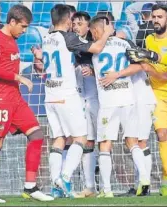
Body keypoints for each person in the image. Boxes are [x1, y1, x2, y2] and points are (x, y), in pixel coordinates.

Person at [32, 4, 113, 198]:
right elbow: (97, 47)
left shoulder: (46, 38)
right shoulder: (68, 37)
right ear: (68, 19)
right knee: (81, 138)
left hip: (50, 95)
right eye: (72, 19)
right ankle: (65, 178)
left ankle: (55, 186)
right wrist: (107, 33)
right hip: (67, 94)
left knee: (59, 139)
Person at [0, 4, 54, 203]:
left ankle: (30, 186)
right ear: (12, 21)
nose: (24, 31)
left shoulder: (12, 40)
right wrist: (20, 77)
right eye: (22, 27)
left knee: (37, 135)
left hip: (15, 97)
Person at [126, 4, 167, 196]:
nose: (156, 20)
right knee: (163, 135)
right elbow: (148, 66)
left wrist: (149, 56)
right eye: (153, 16)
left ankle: (165, 178)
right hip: (157, 93)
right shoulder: (148, 39)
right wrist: (147, 63)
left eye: (160, 17)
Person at [89, 15, 150, 198]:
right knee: (132, 141)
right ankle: (145, 179)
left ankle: (106, 190)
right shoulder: (125, 44)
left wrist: (113, 75)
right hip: (128, 98)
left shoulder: (94, 47)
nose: (92, 35)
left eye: (93, 32)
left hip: (109, 102)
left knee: (105, 144)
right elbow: (140, 66)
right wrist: (119, 74)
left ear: (98, 30)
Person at [71, 11, 98, 198]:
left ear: (88, 27)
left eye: (80, 23)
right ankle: (89, 186)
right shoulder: (69, 42)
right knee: (86, 140)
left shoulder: (97, 44)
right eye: (74, 23)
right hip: (81, 96)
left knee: (105, 140)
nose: (76, 26)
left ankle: (106, 186)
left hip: (101, 96)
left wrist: (94, 70)